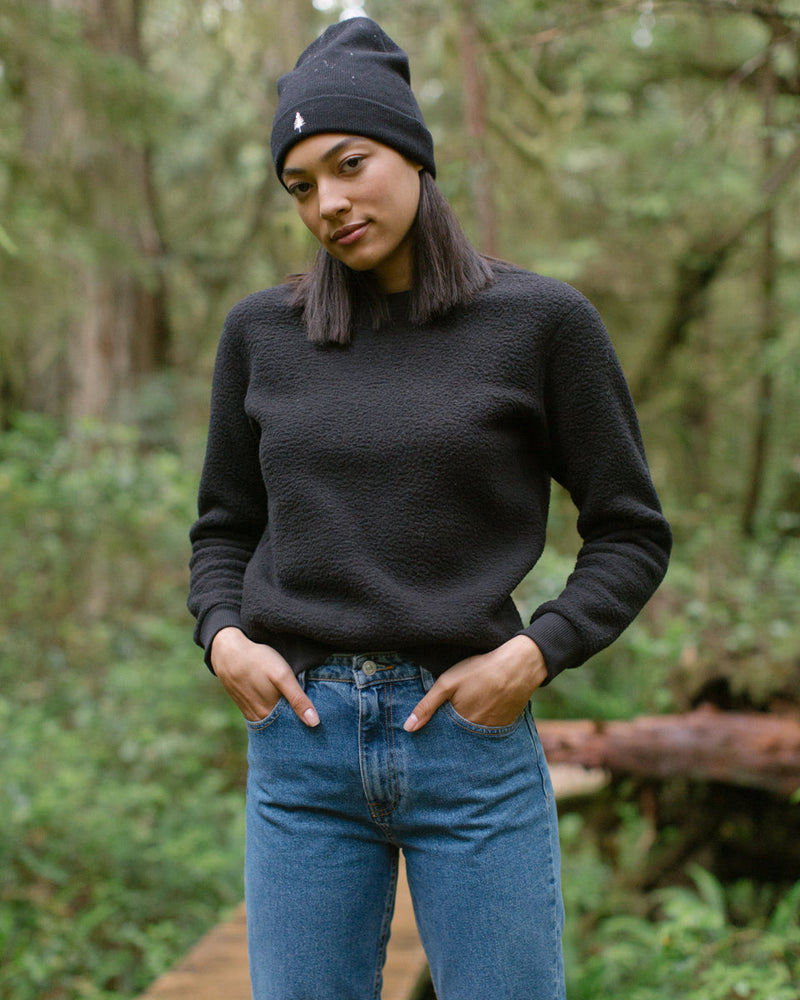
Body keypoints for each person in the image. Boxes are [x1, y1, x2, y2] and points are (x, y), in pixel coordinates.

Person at [188, 16, 671, 1000]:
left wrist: (534, 654)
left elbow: (629, 530)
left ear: (411, 153)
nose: (328, 202)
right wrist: (222, 636)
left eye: (349, 164)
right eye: (299, 186)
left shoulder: (541, 324)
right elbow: (224, 529)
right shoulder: (261, 335)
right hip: (302, 751)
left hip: (468, 743)